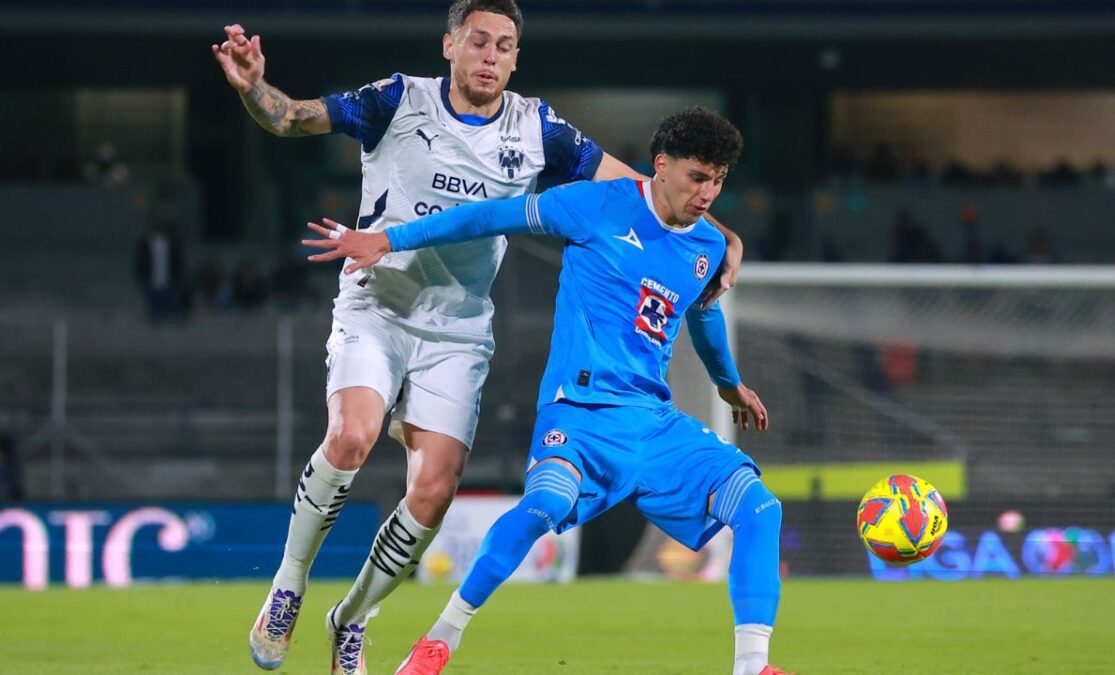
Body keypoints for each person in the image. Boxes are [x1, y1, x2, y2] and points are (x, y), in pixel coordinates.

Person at [211, 3, 745, 672]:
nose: (491, 56)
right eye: (479, 42)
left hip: (459, 327)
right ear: (450, 46)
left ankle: (351, 617)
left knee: (433, 491)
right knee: (352, 434)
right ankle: (287, 585)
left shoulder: (538, 127)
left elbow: (646, 190)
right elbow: (291, 116)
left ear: (516, 59)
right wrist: (253, 87)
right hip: (380, 301)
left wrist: (723, 236)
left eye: (505, 46)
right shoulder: (398, 99)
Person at [305, 106, 790, 675]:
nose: (708, 192)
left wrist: (728, 383)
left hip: (653, 423)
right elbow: (489, 217)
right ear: (662, 166)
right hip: (579, 414)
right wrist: (389, 238)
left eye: (719, 180)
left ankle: (752, 666)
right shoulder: (593, 205)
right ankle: (439, 640)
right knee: (544, 507)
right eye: (698, 177)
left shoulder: (707, 246)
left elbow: (703, 312)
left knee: (760, 507)